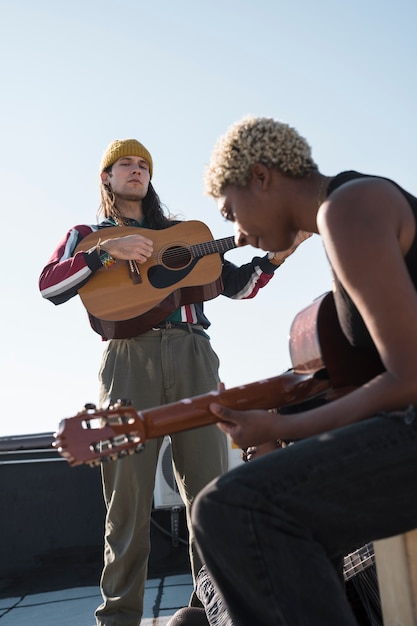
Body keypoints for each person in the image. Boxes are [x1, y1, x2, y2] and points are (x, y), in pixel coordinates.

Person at [38, 138, 309, 626]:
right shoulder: (87, 234)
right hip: (126, 361)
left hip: (193, 353)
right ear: (107, 177)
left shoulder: (185, 234)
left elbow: (238, 285)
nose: (136, 170)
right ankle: (119, 619)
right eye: (126, 164)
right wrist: (108, 253)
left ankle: (218, 611)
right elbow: (50, 284)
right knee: (126, 500)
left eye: (143, 164)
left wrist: (280, 253)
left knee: (209, 492)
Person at [191, 115, 417, 626]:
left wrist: (281, 428)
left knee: (232, 508)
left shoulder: (349, 209)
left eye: (231, 211)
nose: (239, 234)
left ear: (262, 177)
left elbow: (407, 380)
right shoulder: (353, 207)